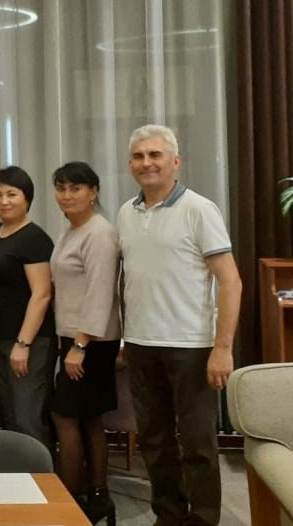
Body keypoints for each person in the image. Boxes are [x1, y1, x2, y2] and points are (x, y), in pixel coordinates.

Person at [117, 125, 242, 526]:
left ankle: (202, 519)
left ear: (175, 162)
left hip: (191, 345)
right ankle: (168, 516)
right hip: (141, 343)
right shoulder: (126, 212)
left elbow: (230, 281)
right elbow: (131, 280)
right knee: (154, 442)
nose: (146, 163)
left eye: (155, 155)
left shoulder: (199, 209)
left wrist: (223, 347)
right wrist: (125, 337)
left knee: (197, 443)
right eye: (138, 156)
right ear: (130, 164)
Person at [49, 162, 122, 525]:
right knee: (89, 418)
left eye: (75, 188)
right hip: (76, 337)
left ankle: (72, 500)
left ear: (93, 191)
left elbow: (100, 292)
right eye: (61, 188)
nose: (67, 195)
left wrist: (79, 345)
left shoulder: (99, 233)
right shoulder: (72, 230)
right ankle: (97, 498)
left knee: (64, 415)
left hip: (90, 341)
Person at [0, 166, 55, 449]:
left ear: (27, 198)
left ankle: (43, 475)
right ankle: (18, 475)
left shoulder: (35, 238)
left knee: (27, 417)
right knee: (8, 417)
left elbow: (42, 294)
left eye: (12, 194)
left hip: (29, 342)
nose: (4, 201)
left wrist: (23, 343)